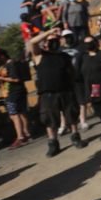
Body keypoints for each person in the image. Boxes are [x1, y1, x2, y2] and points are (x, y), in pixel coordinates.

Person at [27, 27, 88, 157]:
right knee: (49, 119)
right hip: (48, 93)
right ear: (45, 42)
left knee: (71, 114)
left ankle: (75, 137)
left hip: (66, 90)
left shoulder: (64, 56)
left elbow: (71, 71)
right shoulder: (39, 55)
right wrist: (49, 32)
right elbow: (32, 42)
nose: (53, 42)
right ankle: (53, 143)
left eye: (55, 40)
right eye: (50, 40)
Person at [0, 49, 32, 149]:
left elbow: (16, 79)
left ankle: (20, 137)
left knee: (14, 114)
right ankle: (26, 133)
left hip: (13, 92)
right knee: (21, 113)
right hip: (14, 92)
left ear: (2, 56)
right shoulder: (5, 65)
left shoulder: (11, 64)